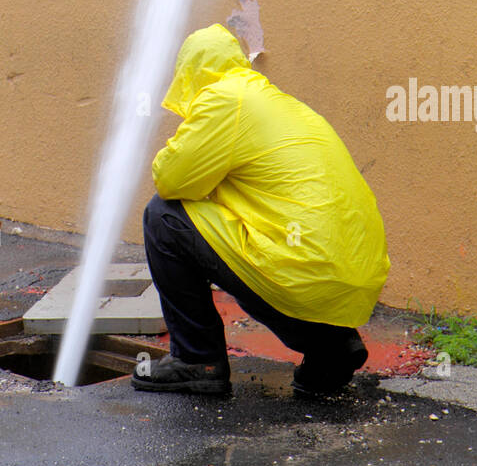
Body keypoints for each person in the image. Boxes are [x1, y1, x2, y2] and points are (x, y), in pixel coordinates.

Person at [133, 23, 390, 397]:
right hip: (353, 283)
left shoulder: (224, 98)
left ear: (190, 73)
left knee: (163, 218)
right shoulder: (278, 101)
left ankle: (196, 360)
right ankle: (332, 347)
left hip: (301, 273)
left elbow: (171, 180)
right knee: (278, 245)